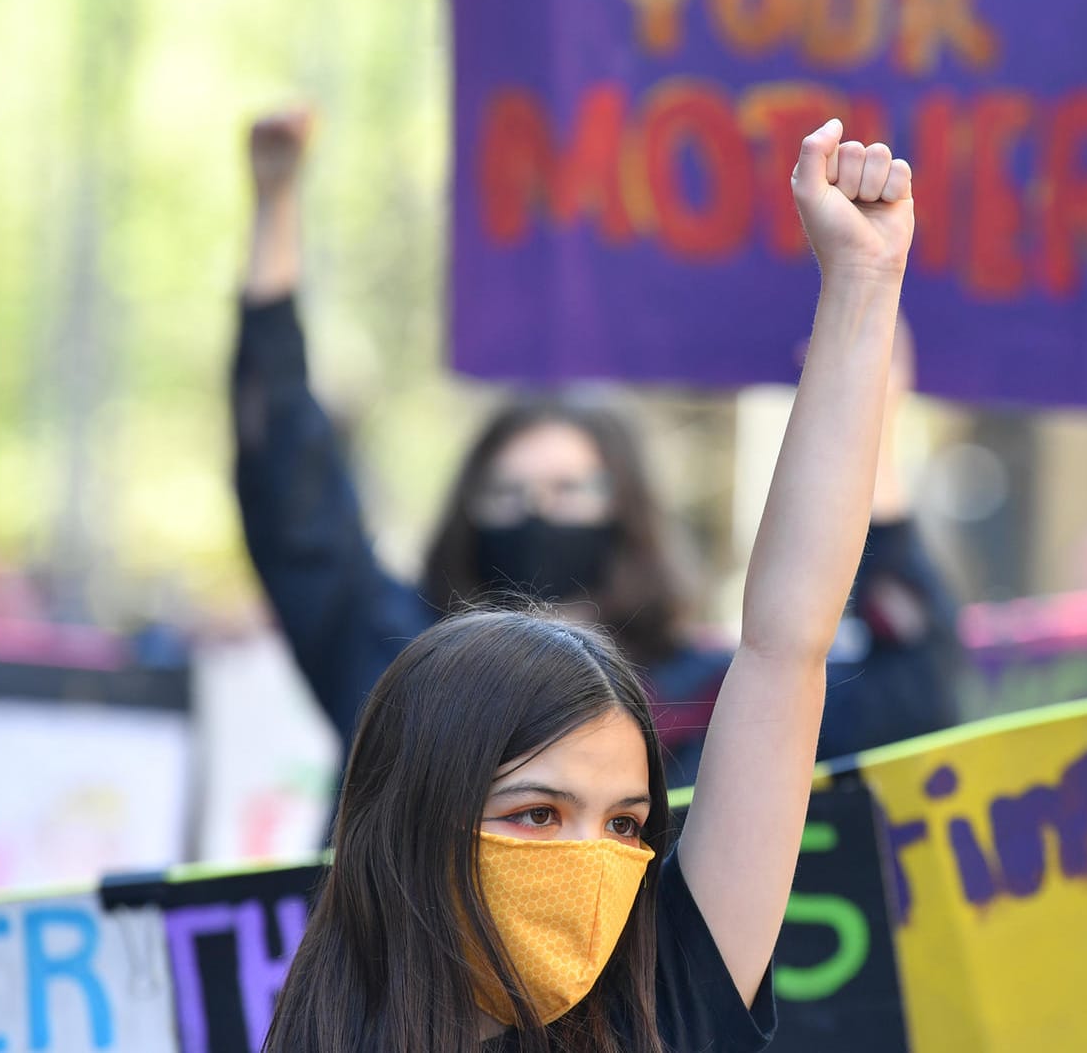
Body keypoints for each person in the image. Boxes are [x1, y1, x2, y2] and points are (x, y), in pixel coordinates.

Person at [263, 118, 913, 1051]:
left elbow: (784, 646)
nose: (588, 864)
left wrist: (863, 284)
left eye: (625, 826)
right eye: (536, 813)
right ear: (418, 810)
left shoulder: (664, 1005)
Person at [234, 109, 963, 779]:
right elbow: (293, 505)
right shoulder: (395, 669)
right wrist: (276, 209)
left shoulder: (707, 706)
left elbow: (910, 695)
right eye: (509, 495)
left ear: (626, 514)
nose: (538, 516)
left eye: (569, 492)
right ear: (468, 512)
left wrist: (874, 427)